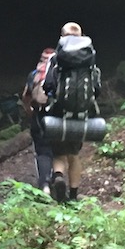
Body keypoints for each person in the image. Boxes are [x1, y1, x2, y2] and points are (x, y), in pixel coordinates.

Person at [42, 22, 100, 203]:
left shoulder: (56, 58)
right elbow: (96, 87)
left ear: (62, 36)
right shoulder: (89, 57)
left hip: (59, 112)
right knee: (74, 155)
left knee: (59, 153)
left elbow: (48, 85)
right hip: (81, 113)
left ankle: (58, 176)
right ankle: (74, 196)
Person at [20, 47, 56, 192]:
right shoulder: (61, 74)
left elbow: (25, 96)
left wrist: (29, 111)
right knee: (58, 149)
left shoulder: (34, 74)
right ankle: (56, 176)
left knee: (42, 151)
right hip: (59, 116)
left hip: (40, 115)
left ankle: (44, 185)